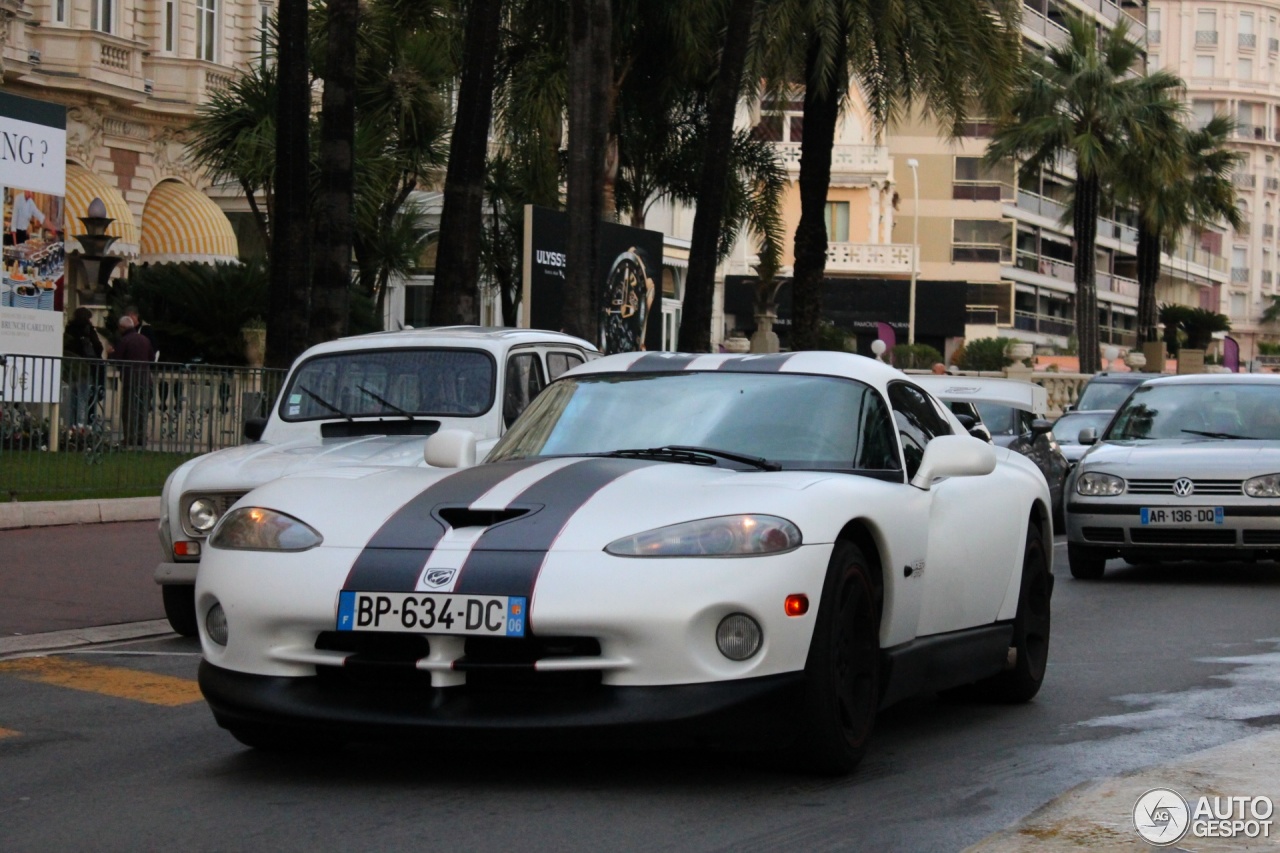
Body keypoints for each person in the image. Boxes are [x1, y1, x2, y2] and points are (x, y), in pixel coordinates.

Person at [109, 315, 155, 447]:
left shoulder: (124, 340)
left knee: (129, 410)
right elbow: (151, 359)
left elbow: (117, 360)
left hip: (131, 380)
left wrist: (110, 353)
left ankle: (130, 437)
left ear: (122, 328)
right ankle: (141, 437)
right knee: (142, 409)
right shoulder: (145, 339)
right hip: (146, 380)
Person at [62, 307, 104, 427]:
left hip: (71, 367)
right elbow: (98, 347)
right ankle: (83, 426)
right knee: (84, 398)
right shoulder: (88, 330)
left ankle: (71, 425)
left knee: (73, 399)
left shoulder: (69, 329)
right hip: (86, 368)